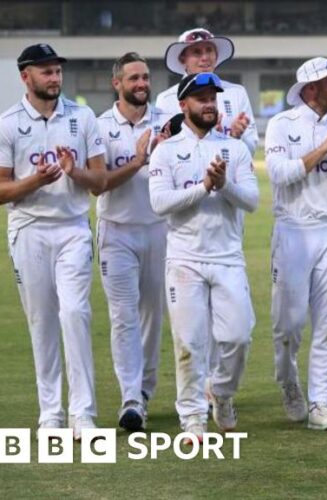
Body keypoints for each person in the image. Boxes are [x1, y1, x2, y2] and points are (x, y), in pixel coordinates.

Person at [0, 44, 106, 439]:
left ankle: (83, 413)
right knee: (42, 321)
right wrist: (36, 180)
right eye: (46, 72)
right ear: (25, 76)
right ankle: (51, 414)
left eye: (57, 71)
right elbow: (1, 189)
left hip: (73, 229)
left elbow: (101, 183)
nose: (55, 78)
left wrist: (73, 172)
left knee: (75, 314)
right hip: (28, 230)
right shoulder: (8, 123)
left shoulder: (82, 118)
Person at [148, 72, 258, 440]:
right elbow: (160, 203)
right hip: (184, 259)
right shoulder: (165, 151)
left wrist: (224, 185)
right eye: (201, 98)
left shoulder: (235, 148)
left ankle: (222, 394)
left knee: (239, 337)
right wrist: (204, 187)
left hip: (227, 256)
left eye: (213, 98)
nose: (210, 104)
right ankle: (192, 416)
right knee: (190, 342)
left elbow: (252, 201)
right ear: (184, 105)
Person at [265, 57, 327, 431]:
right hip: (293, 228)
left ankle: (322, 402)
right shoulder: (281, 125)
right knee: (288, 324)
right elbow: (281, 174)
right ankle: (288, 381)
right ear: (311, 89)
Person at [96, 52, 171, 432]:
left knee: (151, 317)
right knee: (123, 317)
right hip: (117, 231)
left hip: (159, 229)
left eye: (145, 77)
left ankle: (144, 393)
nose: (142, 84)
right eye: (134, 79)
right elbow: (100, 185)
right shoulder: (99, 127)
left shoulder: (166, 123)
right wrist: (140, 159)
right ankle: (130, 398)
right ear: (117, 84)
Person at [156, 28, 257, 156]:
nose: (205, 57)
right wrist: (207, 137)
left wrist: (235, 137)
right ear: (183, 59)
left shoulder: (237, 92)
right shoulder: (166, 99)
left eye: (209, 50)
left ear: (216, 55)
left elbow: (251, 148)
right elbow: (162, 151)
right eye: (197, 52)